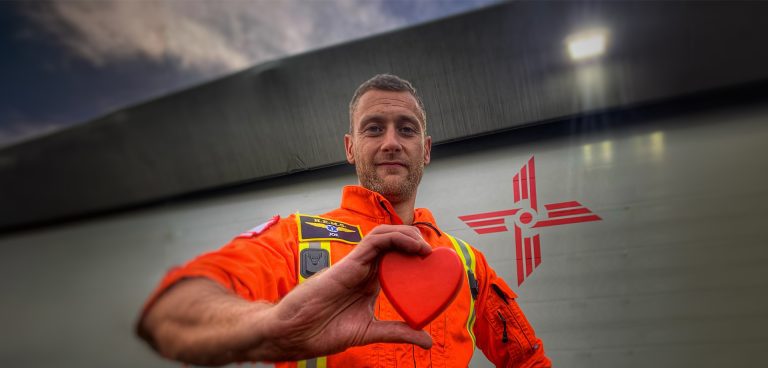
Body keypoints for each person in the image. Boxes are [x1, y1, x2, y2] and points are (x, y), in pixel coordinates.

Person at [137, 74, 551, 367]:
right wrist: (269, 327)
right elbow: (169, 314)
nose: (391, 142)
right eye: (374, 129)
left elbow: (528, 359)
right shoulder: (296, 239)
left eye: (406, 129)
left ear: (425, 150)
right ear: (351, 148)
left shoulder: (466, 263)